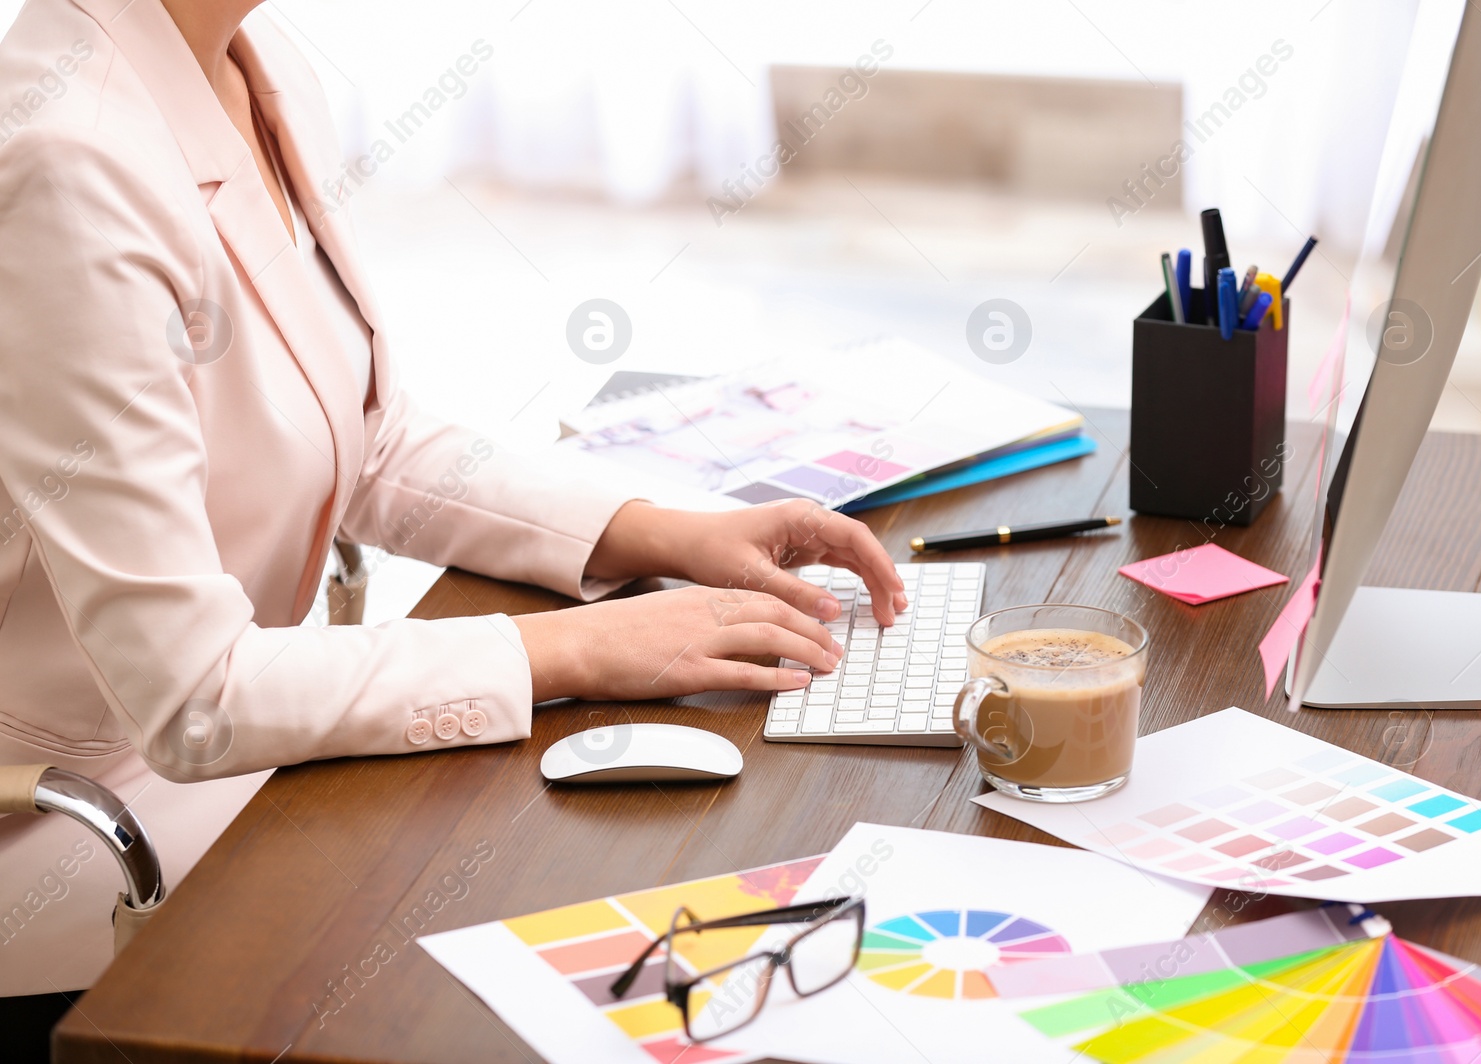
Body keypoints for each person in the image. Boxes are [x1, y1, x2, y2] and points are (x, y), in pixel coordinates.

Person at [0, 0, 905, 1003]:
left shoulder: (249, 65)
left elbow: (366, 435)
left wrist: (663, 533)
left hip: (240, 754)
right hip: (81, 820)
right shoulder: (67, 160)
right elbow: (198, 697)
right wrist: (580, 648)